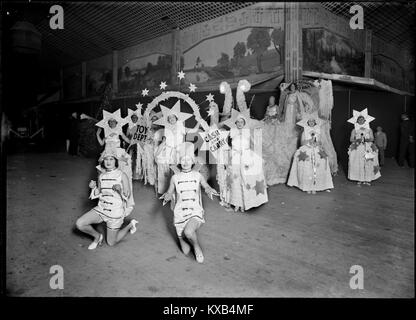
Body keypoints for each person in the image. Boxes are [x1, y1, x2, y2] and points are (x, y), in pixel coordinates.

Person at [160, 142, 218, 263]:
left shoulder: (197, 175)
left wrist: (208, 189)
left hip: (194, 210)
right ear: (180, 162)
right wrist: (167, 196)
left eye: (188, 160)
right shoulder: (175, 177)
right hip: (180, 213)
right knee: (185, 251)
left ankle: (197, 247)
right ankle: (184, 236)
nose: (185, 162)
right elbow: (170, 191)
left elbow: (205, 185)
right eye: (183, 160)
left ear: (193, 162)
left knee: (188, 232)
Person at [75, 148, 138, 250]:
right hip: (101, 209)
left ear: (116, 161)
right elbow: (99, 193)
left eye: (111, 159)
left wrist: (120, 190)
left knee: (111, 243)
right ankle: (97, 237)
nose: (108, 162)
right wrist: (93, 187)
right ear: (103, 161)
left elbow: (128, 195)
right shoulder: (101, 176)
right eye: (106, 159)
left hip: (115, 212)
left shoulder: (122, 175)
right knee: (80, 223)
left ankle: (130, 225)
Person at [226, 113, 268, 212]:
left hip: (246, 156)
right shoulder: (232, 132)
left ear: (244, 123)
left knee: (247, 179)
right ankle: (237, 203)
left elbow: (253, 144)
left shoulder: (247, 132)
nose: (240, 124)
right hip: (235, 157)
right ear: (235, 123)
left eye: (242, 122)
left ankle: (247, 202)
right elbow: (227, 144)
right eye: (238, 122)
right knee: (235, 180)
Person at [96, 110, 135, 216]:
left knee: (121, 174)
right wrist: (97, 134)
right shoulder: (106, 133)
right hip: (107, 153)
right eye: (110, 122)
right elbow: (101, 143)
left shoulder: (119, 131)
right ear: (108, 123)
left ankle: (123, 197)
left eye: (113, 121)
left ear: (117, 123)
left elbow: (127, 140)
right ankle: (105, 195)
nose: (112, 123)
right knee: (103, 173)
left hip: (118, 154)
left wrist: (133, 139)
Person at [287, 115, 334, 194]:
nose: (311, 123)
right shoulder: (304, 131)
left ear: (315, 122)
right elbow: (302, 142)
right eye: (310, 121)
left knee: (321, 161)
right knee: (306, 165)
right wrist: (309, 141)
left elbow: (320, 142)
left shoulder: (318, 131)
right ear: (307, 122)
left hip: (316, 148)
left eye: (313, 121)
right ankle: (307, 186)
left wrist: (317, 143)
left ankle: (316, 186)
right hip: (307, 148)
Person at [347, 112, 381, 185]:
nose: (361, 121)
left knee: (368, 162)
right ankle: (360, 178)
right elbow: (351, 139)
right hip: (358, 147)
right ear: (357, 121)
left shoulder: (369, 129)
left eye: (362, 119)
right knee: (359, 163)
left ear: (365, 121)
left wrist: (366, 140)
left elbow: (372, 138)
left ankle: (367, 179)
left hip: (367, 147)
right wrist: (357, 140)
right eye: (359, 119)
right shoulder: (354, 130)